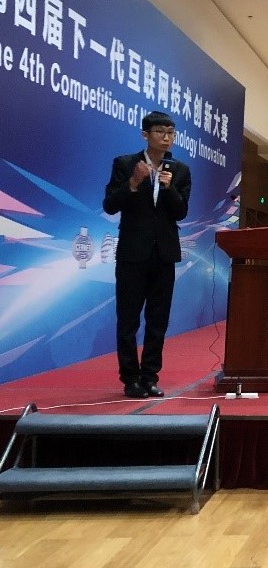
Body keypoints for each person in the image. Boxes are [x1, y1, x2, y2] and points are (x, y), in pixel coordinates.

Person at [103, 111, 191, 399]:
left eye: (171, 133)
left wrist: (169, 188)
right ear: (145, 134)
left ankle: (150, 377)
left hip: (164, 254)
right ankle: (130, 379)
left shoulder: (180, 170)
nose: (166, 138)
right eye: (160, 132)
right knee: (128, 319)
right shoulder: (125, 164)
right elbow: (110, 205)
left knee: (158, 320)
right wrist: (132, 183)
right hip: (132, 254)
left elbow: (181, 212)